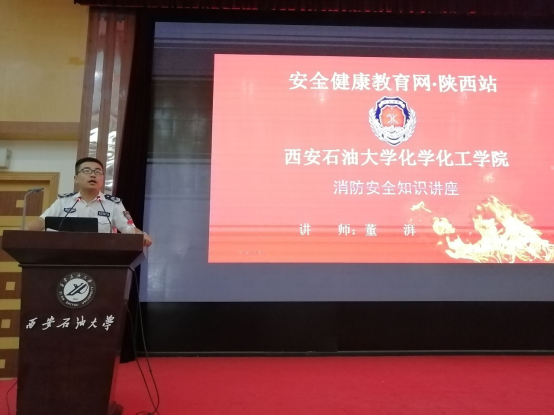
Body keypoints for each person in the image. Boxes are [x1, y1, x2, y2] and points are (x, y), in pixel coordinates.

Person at [25, 157, 152, 247]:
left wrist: (141, 235)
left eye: (97, 172)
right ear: (76, 178)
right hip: (64, 255)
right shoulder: (64, 202)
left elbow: (128, 228)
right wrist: (24, 231)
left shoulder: (113, 204)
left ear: (102, 178)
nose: (93, 175)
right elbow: (42, 221)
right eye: (86, 171)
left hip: (102, 258)